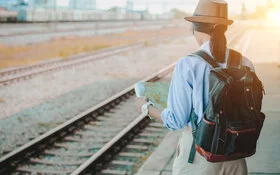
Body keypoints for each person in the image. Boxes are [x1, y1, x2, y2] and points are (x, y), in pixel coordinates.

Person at [135, 0, 255, 174]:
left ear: (195, 29)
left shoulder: (188, 65)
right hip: (236, 159)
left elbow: (176, 120)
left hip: (200, 160)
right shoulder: (245, 63)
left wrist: (146, 108)